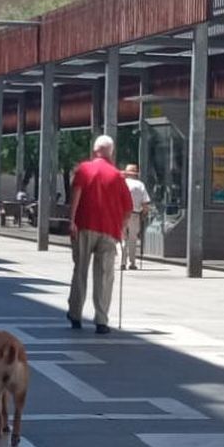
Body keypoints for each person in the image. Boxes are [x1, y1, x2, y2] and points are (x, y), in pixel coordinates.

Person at [68, 135, 133, 334]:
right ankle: (101, 320)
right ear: (110, 152)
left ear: (95, 150)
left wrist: (71, 221)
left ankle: (76, 314)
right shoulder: (117, 175)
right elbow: (128, 208)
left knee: (80, 271)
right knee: (105, 275)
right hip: (109, 230)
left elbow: (76, 194)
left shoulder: (84, 169)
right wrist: (121, 228)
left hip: (85, 225)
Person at [122, 163, 152, 269]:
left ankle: (122, 262)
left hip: (121, 214)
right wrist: (144, 214)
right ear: (135, 174)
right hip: (134, 214)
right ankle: (132, 262)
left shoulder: (121, 183)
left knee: (122, 238)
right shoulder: (140, 185)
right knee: (132, 239)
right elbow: (145, 204)